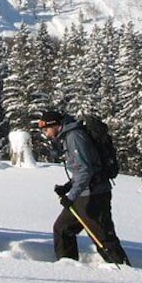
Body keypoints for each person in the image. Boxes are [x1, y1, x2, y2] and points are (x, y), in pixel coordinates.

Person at [38, 110, 130, 266]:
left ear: (55, 125)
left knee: (102, 237)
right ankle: (68, 267)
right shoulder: (70, 136)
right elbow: (82, 168)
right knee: (62, 228)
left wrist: (71, 195)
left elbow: (85, 170)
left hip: (94, 194)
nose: (46, 134)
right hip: (84, 193)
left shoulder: (74, 137)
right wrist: (67, 187)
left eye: (46, 130)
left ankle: (124, 269)